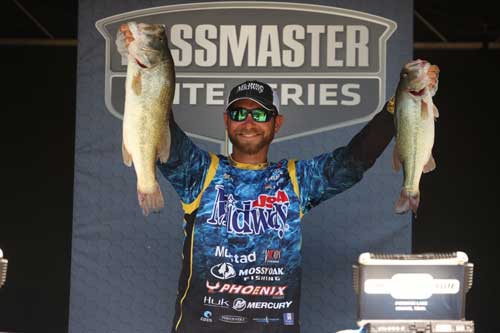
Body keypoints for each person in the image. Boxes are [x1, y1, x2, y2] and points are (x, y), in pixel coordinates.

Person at [120, 26, 435, 333]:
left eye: (259, 115)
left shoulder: (296, 180)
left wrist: (400, 103)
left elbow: (352, 161)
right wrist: (145, 62)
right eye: (239, 114)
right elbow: (157, 120)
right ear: (227, 121)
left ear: (276, 123)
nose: (248, 122)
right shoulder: (200, 172)